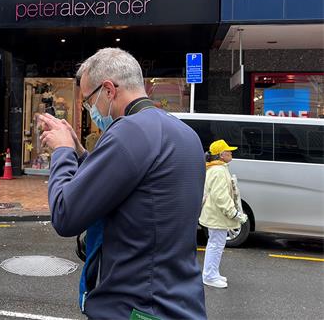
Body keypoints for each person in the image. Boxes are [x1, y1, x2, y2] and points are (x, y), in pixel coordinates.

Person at [38, 48, 207, 319]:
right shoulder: (184, 134)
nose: (90, 110)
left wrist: (62, 151)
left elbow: (65, 213)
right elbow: (133, 186)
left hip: (135, 308)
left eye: (88, 101)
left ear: (108, 90)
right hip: (179, 302)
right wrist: (81, 153)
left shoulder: (129, 130)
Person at [200, 139, 248, 289]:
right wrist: (234, 214)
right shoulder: (219, 171)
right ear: (221, 155)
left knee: (215, 244)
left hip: (215, 214)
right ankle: (209, 276)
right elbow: (221, 197)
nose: (231, 153)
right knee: (216, 245)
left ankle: (212, 273)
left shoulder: (216, 169)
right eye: (229, 151)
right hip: (217, 215)